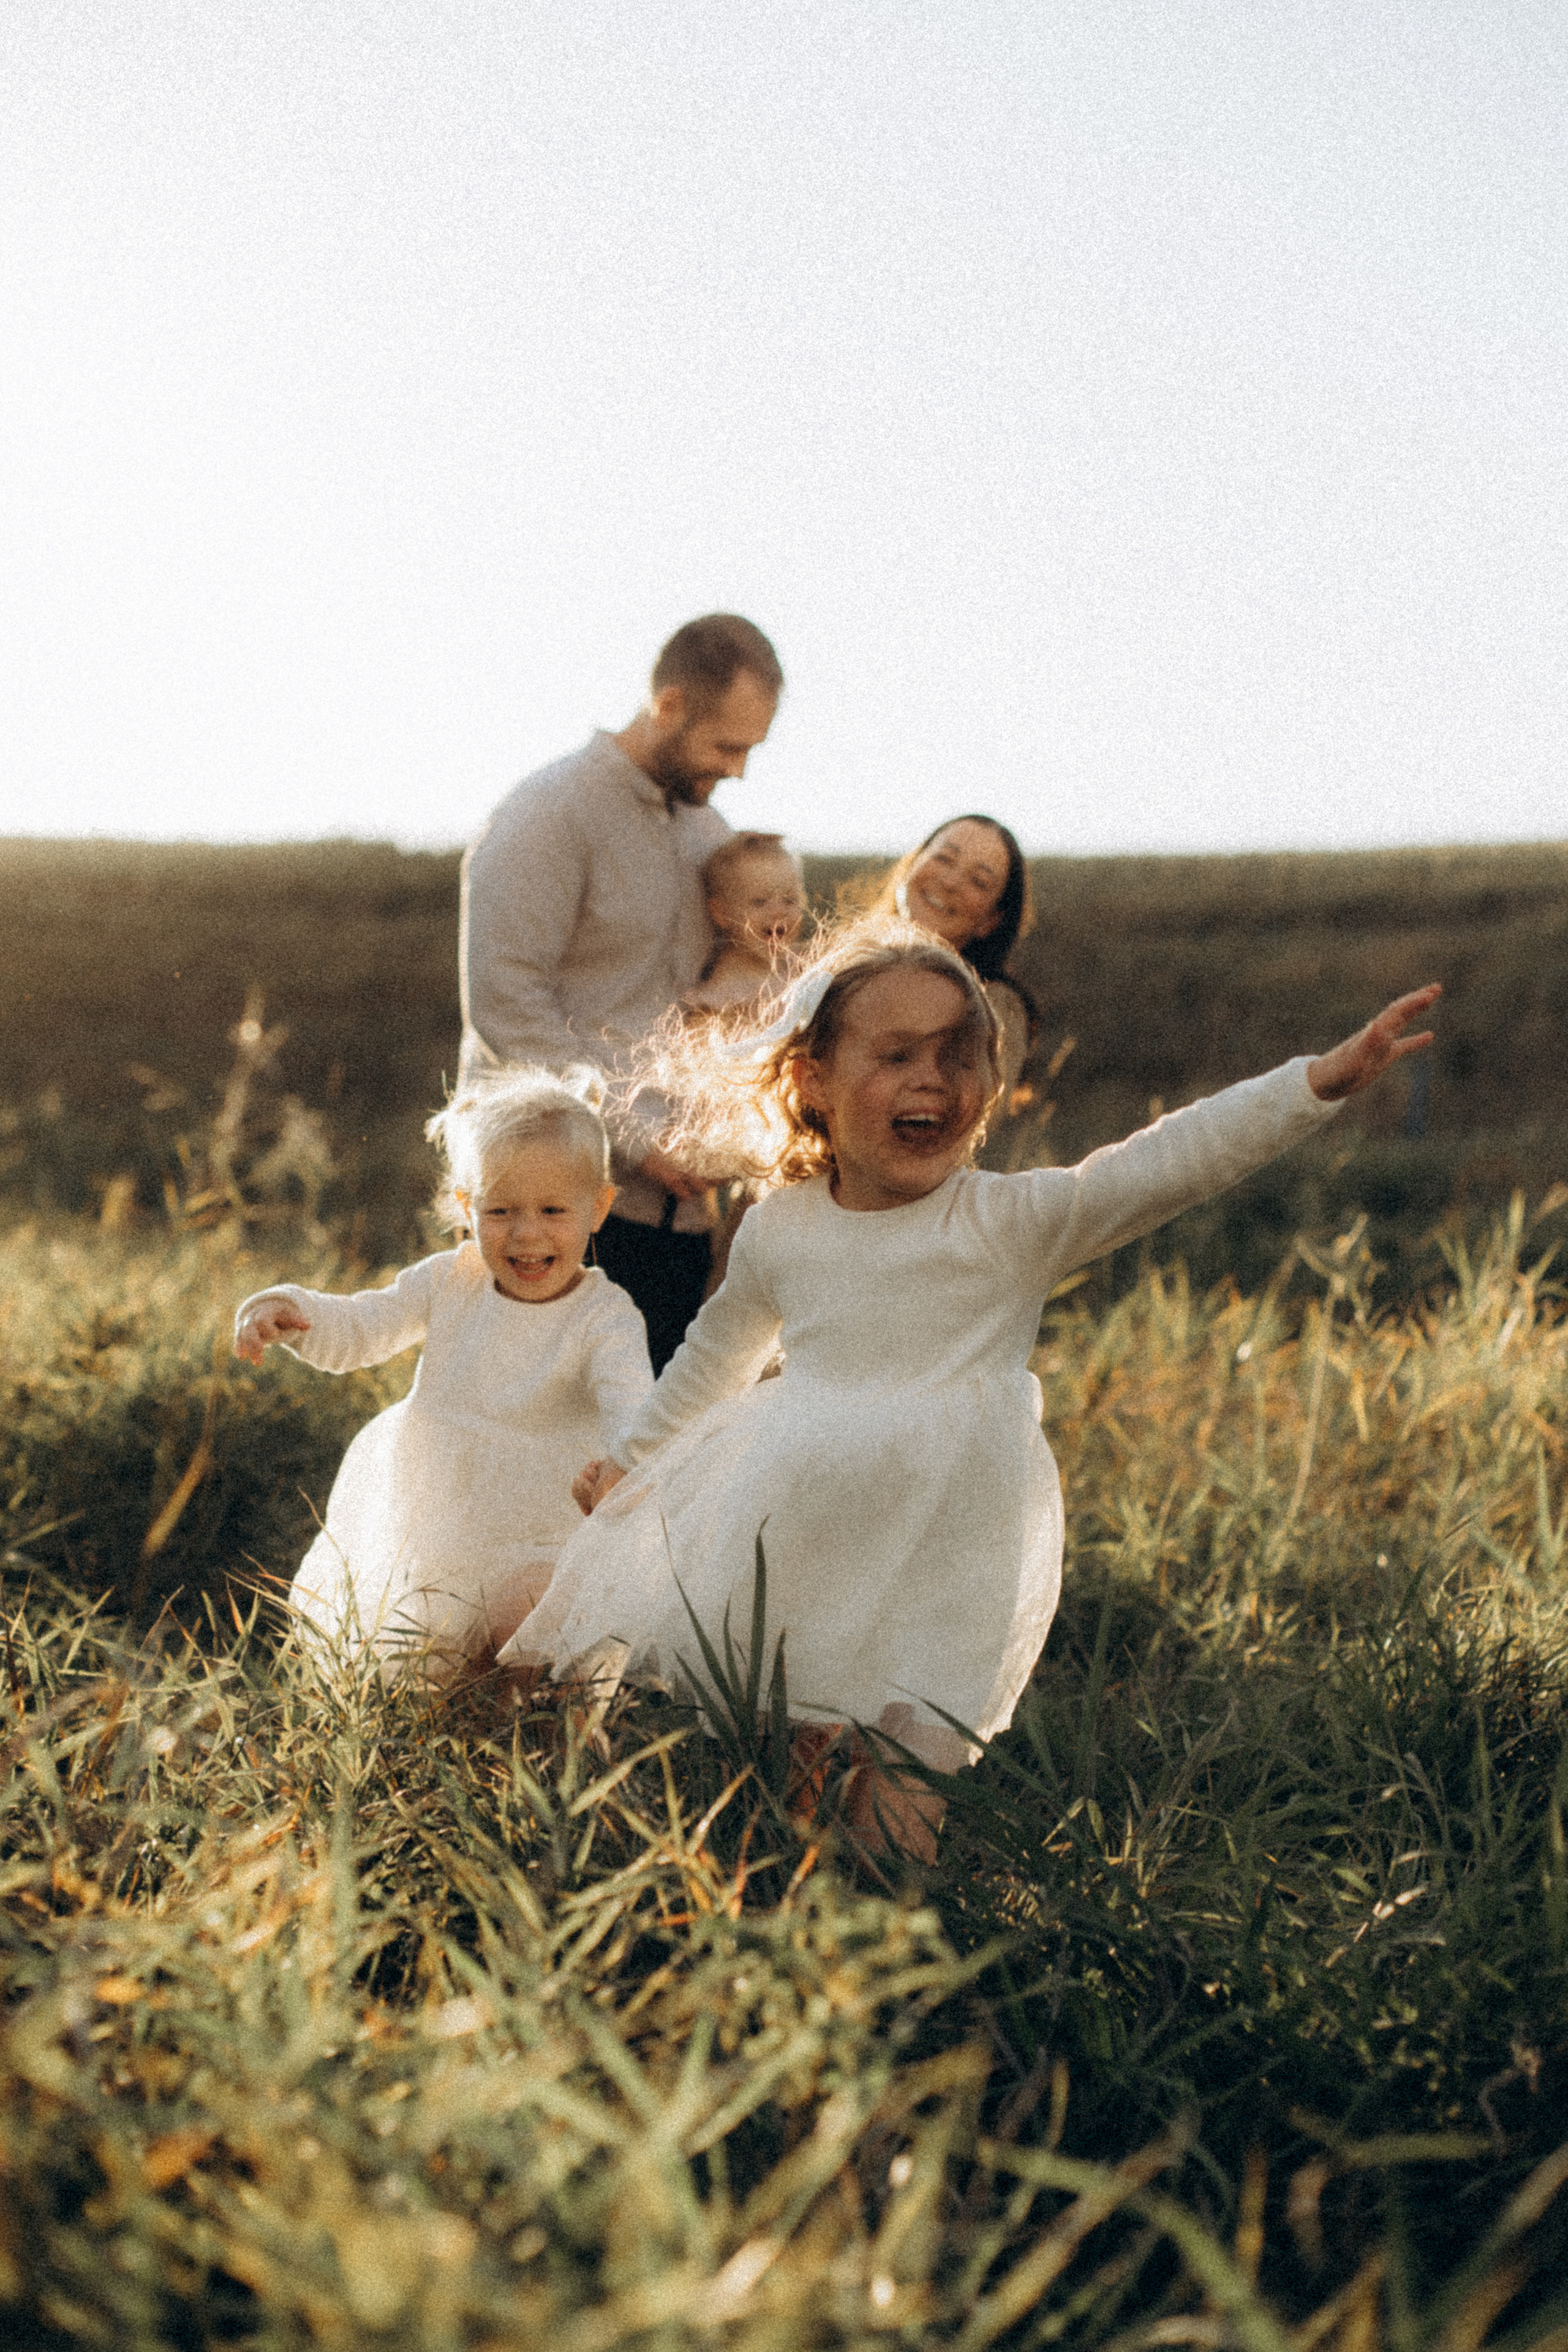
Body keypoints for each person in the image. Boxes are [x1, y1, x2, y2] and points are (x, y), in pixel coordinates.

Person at [499, 918, 1439, 1860]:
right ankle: (790, 1925)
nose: (931, 1081)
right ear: (811, 1083)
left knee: (908, 1770)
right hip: (805, 1518)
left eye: (957, 1055)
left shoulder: (1010, 1223)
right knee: (797, 1761)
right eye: (897, 1054)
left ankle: (892, 1928)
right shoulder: (782, 1228)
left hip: (955, 1537)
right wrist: (632, 1461)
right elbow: (714, 1359)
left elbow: (1163, 1164)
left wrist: (1313, 1084)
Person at [233, 1069, 652, 1676]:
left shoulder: (604, 1317)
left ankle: (555, 1755)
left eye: (553, 1210)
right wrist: (296, 1312)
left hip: (546, 1526)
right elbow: (364, 1325)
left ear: (599, 1208)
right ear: (466, 1207)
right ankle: (462, 1748)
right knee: (440, 1670)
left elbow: (631, 1402)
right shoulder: (448, 1281)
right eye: (501, 1210)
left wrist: (626, 1463)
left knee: (534, 1634)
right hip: (442, 1525)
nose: (527, 1232)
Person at [459, 614, 783, 1373]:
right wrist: (634, 1136)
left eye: (750, 749)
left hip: (676, 1215)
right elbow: (505, 999)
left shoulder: (712, 835)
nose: (736, 770)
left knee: (648, 1453)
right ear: (667, 705)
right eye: (725, 745)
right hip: (548, 1202)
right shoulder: (546, 813)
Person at [869, 815, 1038, 1102]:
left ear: (992, 921)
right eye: (945, 858)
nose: (950, 882)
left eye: (979, 882)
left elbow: (966, 1126)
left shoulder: (995, 1010)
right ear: (913, 863)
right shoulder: (829, 967)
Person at [685, 832, 807, 1016]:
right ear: (722, 913)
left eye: (790, 900)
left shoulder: (800, 968)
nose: (779, 911)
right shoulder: (723, 996)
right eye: (759, 901)